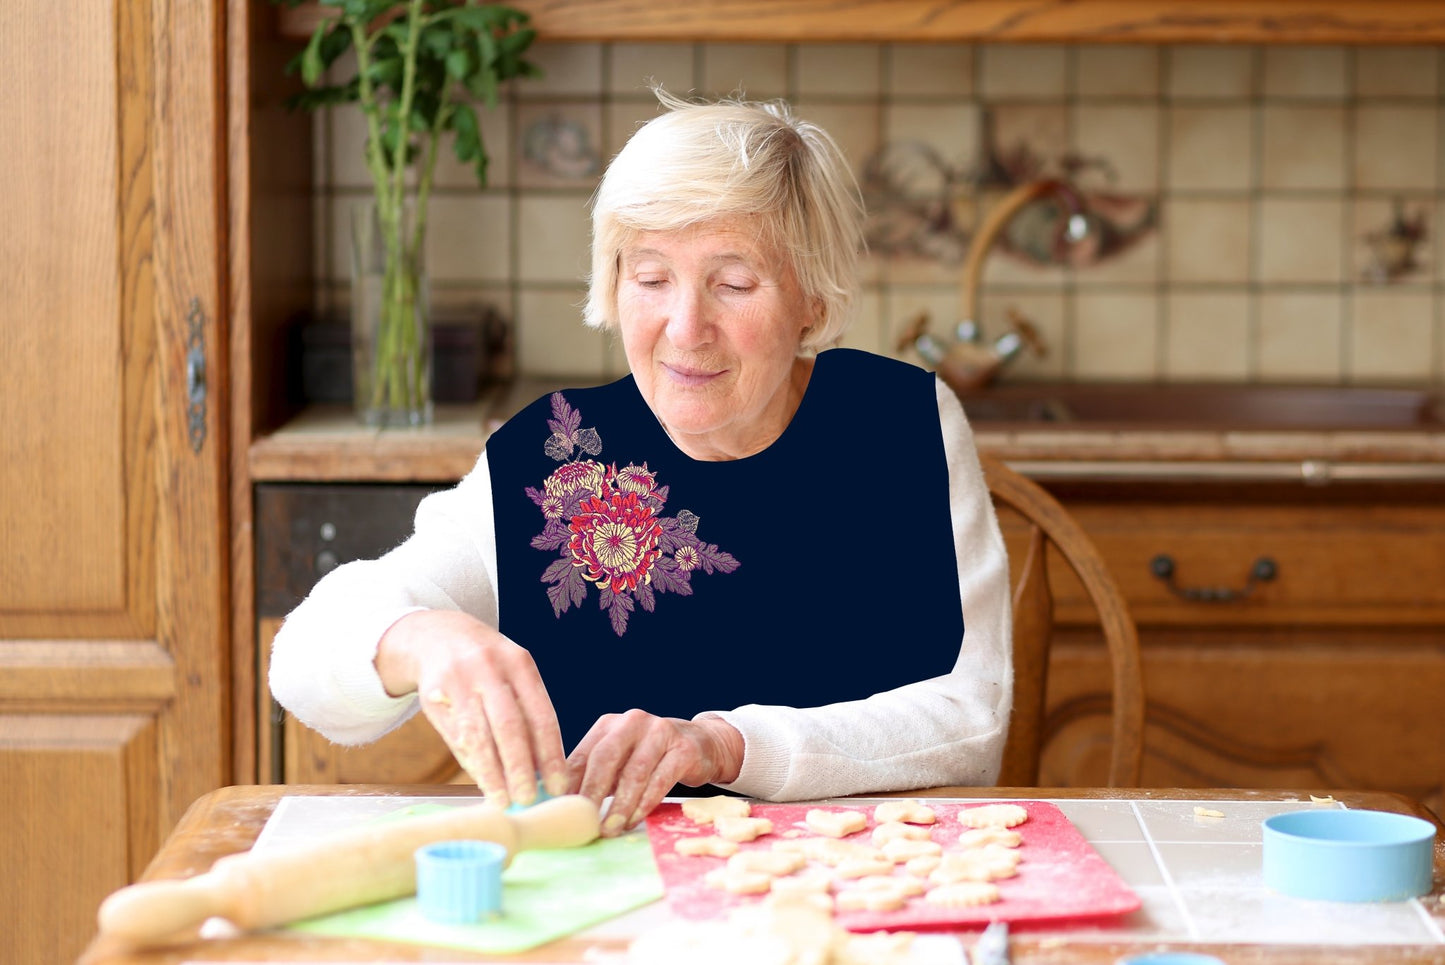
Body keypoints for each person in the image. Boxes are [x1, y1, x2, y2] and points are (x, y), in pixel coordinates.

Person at [269, 89, 1013, 838]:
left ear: (810, 301)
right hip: (614, 896)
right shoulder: (560, 454)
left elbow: (971, 721)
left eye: (732, 283)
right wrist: (419, 638)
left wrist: (720, 743)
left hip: (866, 881)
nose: (685, 328)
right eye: (651, 278)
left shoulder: (899, 423)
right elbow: (302, 666)